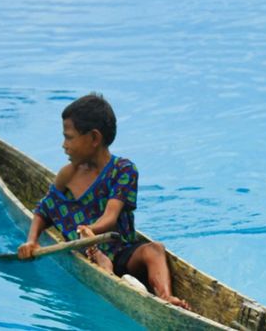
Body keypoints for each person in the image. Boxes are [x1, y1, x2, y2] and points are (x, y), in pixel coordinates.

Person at [17, 93, 190, 310]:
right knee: (97, 254)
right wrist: (32, 240)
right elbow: (43, 210)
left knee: (155, 249)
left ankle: (166, 298)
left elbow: (110, 217)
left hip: (121, 252)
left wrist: (90, 229)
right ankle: (104, 267)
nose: (64, 145)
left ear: (94, 138)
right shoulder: (68, 175)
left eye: (69, 137)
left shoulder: (123, 170)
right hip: (90, 252)